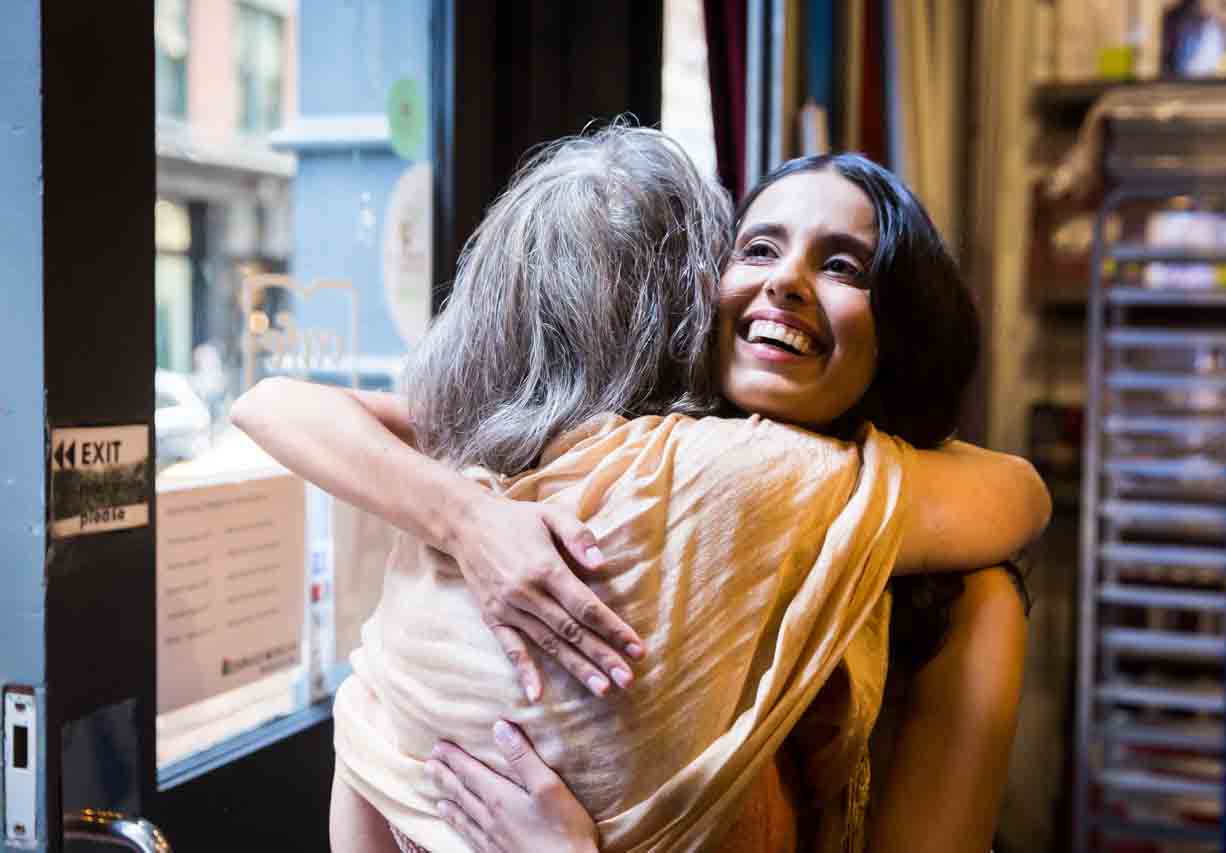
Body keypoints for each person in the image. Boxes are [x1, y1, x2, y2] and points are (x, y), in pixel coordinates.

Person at [233, 127, 1048, 852]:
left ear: (903, 332)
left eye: (843, 265)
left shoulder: (959, 592)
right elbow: (280, 403)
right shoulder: (626, 472)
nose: (785, 282)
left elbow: (1020, 492)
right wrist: (469, 520)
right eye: (758, 249)